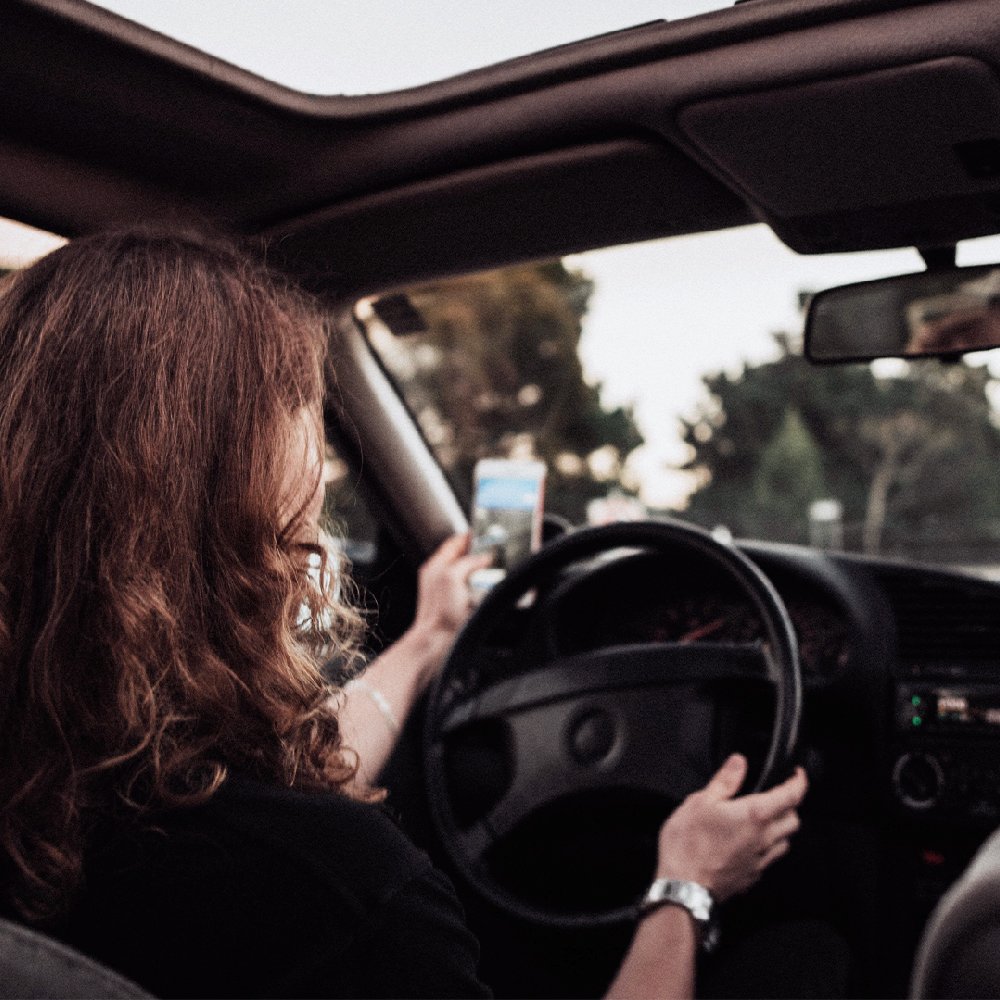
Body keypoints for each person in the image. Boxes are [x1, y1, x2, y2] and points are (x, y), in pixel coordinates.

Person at [0, 229, 807, 998]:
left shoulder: (52, 786)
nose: (320, 473)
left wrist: (428, 644)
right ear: (254, 507)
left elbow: (267, 775)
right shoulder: (344, 899)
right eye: (305, 418)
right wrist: (684, 886)